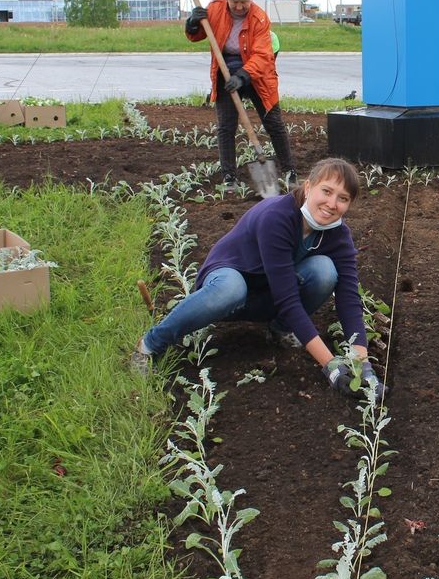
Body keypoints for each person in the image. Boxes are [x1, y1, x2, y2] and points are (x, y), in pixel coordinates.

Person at [130, 157, 384, 398]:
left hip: (267, 294)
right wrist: (330, 366)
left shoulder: (337, 235)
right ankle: (150, 344)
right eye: (326, 191)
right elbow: (288, 299)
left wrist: (362, 365)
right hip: (225, 291)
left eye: (343, 198)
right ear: (308, 187)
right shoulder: (277, 217)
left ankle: (280, 329)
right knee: (231, 288)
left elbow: (349, 297)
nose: (332, 204)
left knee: (325, 271)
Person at [186, 0, 296, 185]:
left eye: (244, 1)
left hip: (257, 75)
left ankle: (290, 170)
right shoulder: (215, 8)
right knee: (226, 126)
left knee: (273, 122)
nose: (239, 6)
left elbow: (263, 56)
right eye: (234, 1)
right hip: (225, 71)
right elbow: (198, 34)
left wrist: (243, 76)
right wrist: (192, 22)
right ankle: (229, 176)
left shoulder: (259, 18)